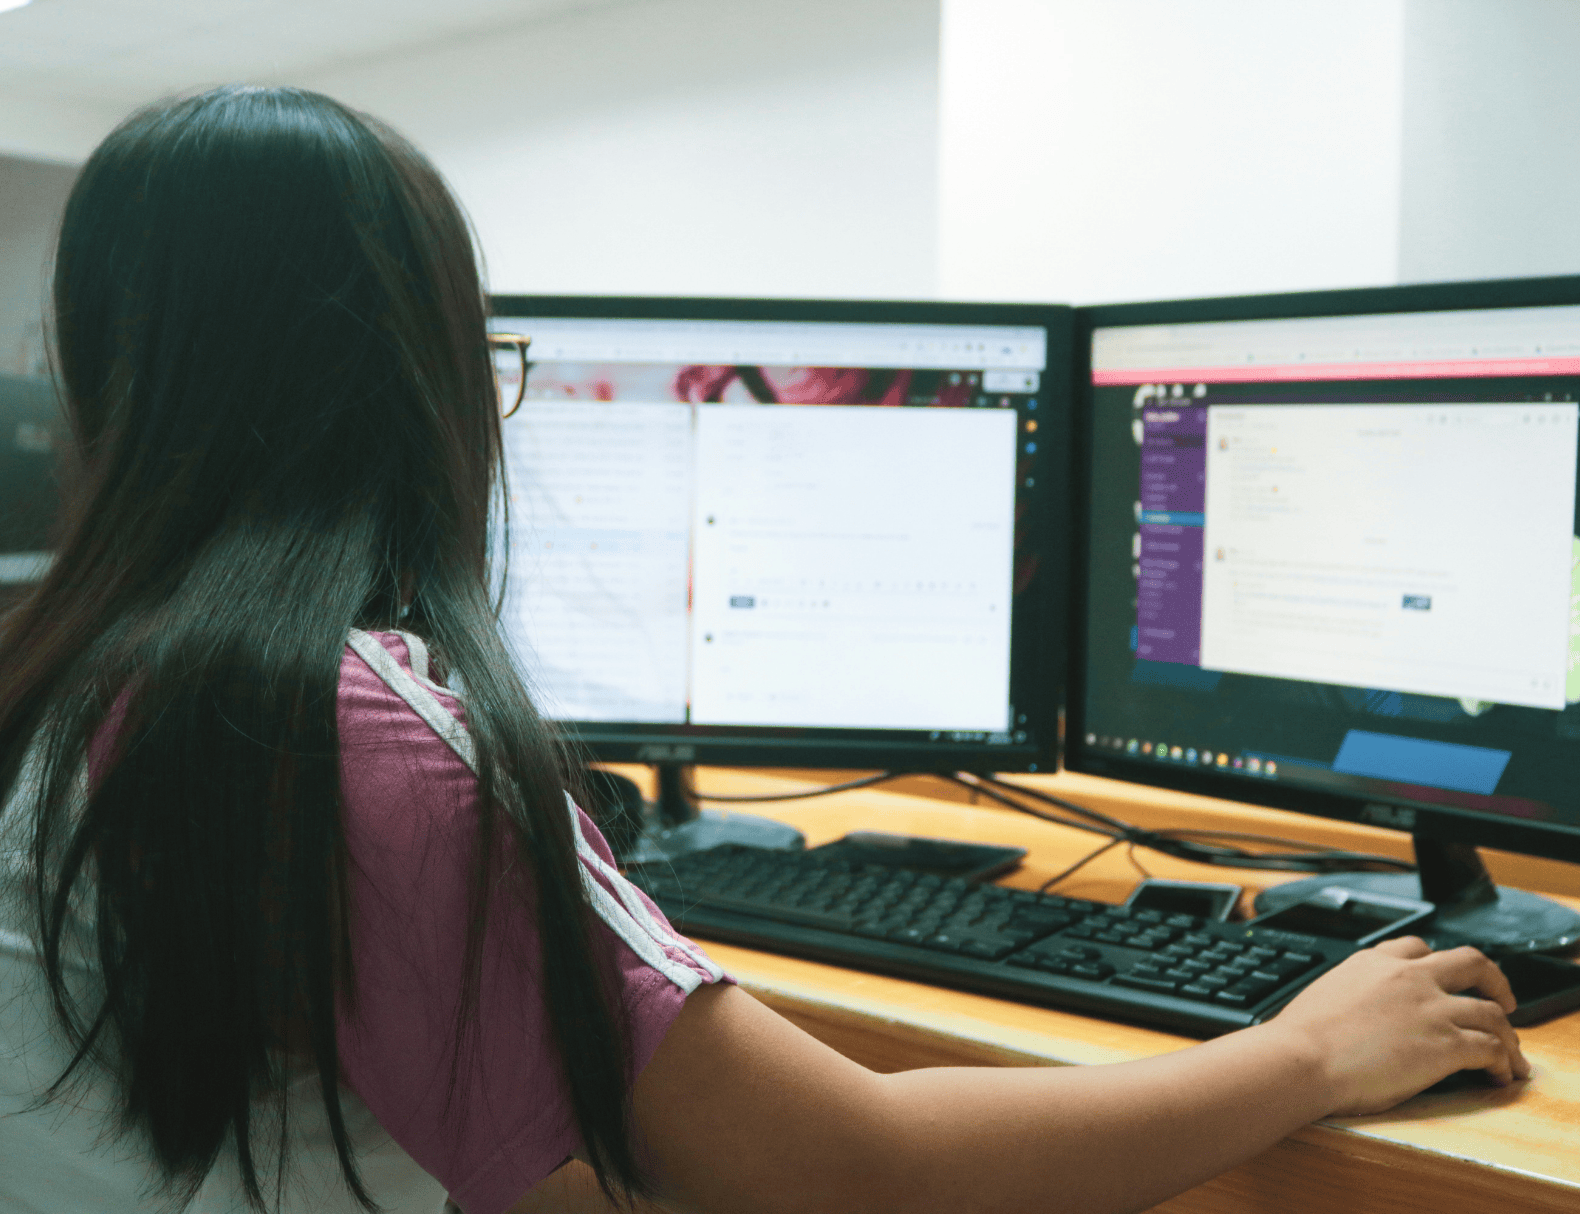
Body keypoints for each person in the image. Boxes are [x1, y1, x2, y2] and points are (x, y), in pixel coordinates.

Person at [0, 85, 1529, 1214]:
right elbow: (849, 1167)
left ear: (99, 373)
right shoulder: (342, 733)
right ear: (422, 381)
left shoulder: (86, 672)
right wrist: (1313, 1050)